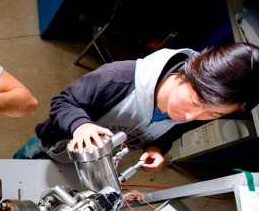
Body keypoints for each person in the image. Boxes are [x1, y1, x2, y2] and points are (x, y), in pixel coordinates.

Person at [13, 43, 259, 171]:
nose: (191, 116)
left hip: (93, 163)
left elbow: (173, 132)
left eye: (213, 115)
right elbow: (62, 102)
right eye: (195, 102)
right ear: (189, 73)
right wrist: (81, 125)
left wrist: (156, 147)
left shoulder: (199, 109)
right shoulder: (117, 77)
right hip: (51, 146)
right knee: (16, 171)